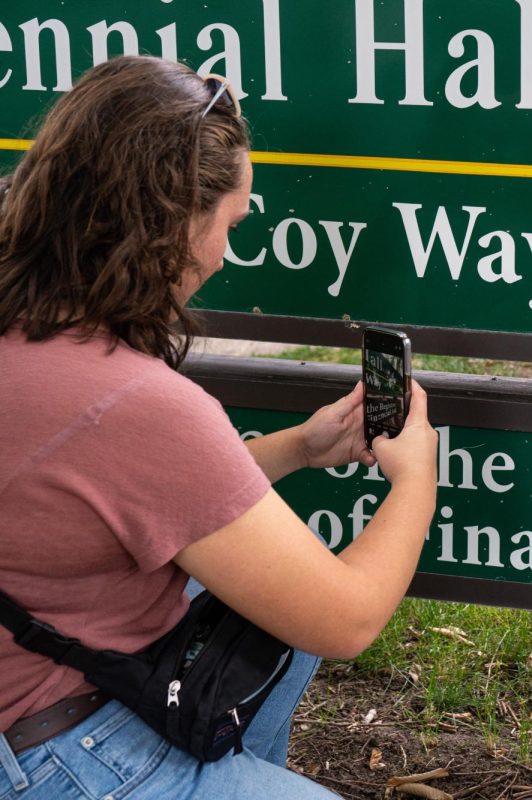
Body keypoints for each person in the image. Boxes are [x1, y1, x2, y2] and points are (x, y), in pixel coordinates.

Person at [0, 56, 438, 799]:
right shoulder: (133, 403)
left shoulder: (31, 325)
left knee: (265, 614)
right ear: (168, 225)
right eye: (229, 224)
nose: (225, 254)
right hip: (60, 750)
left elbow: (110, 488)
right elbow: (347, 619)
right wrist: (417, 477)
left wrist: (301, 448)